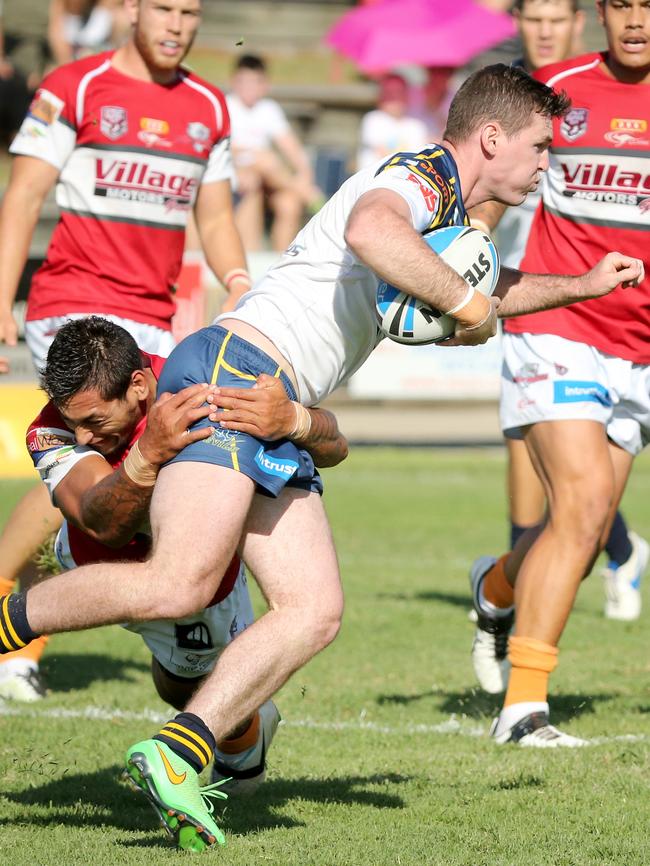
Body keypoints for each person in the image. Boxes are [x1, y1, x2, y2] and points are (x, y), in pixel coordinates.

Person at [0, 64, 642, 850]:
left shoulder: (443, 210)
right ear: (492, 138)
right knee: (181, 582)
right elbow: (377, 232)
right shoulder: (417, 175)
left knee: (315, 610)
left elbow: (479, 288)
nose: (548, 163)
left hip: (276, 395)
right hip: (235, 365)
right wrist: (469, 306)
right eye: (541, 147)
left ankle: (179, 749)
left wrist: (575, 286)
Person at [0, 0, 251, 701]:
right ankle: (15, 632)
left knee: (136, 475)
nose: (177, 23)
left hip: (155, 318)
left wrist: (238, 282)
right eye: (164, 8)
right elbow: (22, 196)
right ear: (131, 9)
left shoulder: (209, 106)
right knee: (83, 464)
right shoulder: (74, 87)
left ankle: (166, 613)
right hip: (72, 308)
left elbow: (216, 213)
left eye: (191, 11)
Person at [26, 315, 348, 796]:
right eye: (75, 423)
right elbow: (101, 522)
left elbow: (336, 445)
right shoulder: (50, 429)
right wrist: (148, 455)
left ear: (139, 385)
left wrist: (295, 420)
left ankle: (245, 737)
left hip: (201, 577)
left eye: (94, 422)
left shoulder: (204, 377)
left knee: (183, 686)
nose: (86, 437)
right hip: (98, 565)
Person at [466, 0, 650, 748]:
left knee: (586, 527)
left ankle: (494, 589)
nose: (637, 20)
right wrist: (465, 269)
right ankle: (525, 708)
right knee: (582, 505)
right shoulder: (556, 91)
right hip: (557, 322)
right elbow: (483, 183)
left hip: (639, 346)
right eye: (624, 4)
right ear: (600, 14)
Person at [226, 53, 323, 252]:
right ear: (235, 82)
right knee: (261, 166)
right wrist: (254, 154)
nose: (250, 88)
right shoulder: (227, 106)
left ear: (264, 85)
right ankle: (310, 196)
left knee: (289, 203)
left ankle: (281, 261)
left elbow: (290, 145)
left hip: (268, 176)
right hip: (237, 172)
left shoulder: (268, 109)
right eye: (245, 82)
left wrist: (304, 171)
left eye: (255, 82)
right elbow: (226, 148)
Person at [356, 73, 430, 170]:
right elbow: (383, 153)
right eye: (389, 93)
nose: (394, 97)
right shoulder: (373, 119)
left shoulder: (417, 126)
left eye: (398, 92)